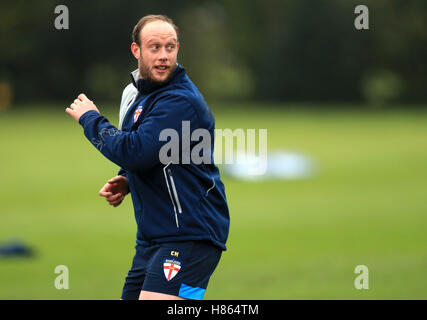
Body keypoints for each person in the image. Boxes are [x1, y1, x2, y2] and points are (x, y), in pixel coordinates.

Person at [65, 14, 230, 300]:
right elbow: (159, 153)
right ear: (136, 50)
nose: (164, 55)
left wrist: (90, 118)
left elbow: (135, 151)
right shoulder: (138, 94)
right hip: (154, 236)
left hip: (190, 234)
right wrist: (127, 179)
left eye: (170, 47)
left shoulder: (180, 100)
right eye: (155, 47)